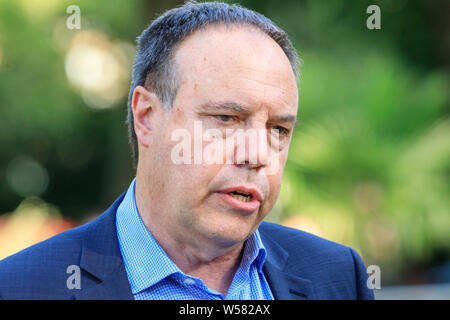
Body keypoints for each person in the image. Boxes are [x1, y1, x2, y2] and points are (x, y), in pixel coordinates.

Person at [0, 1, 374, 300]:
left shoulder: (338, 276)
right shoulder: (21, 288)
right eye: (227, 118)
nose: (258, 153)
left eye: (278, 128)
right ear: (146, 117)